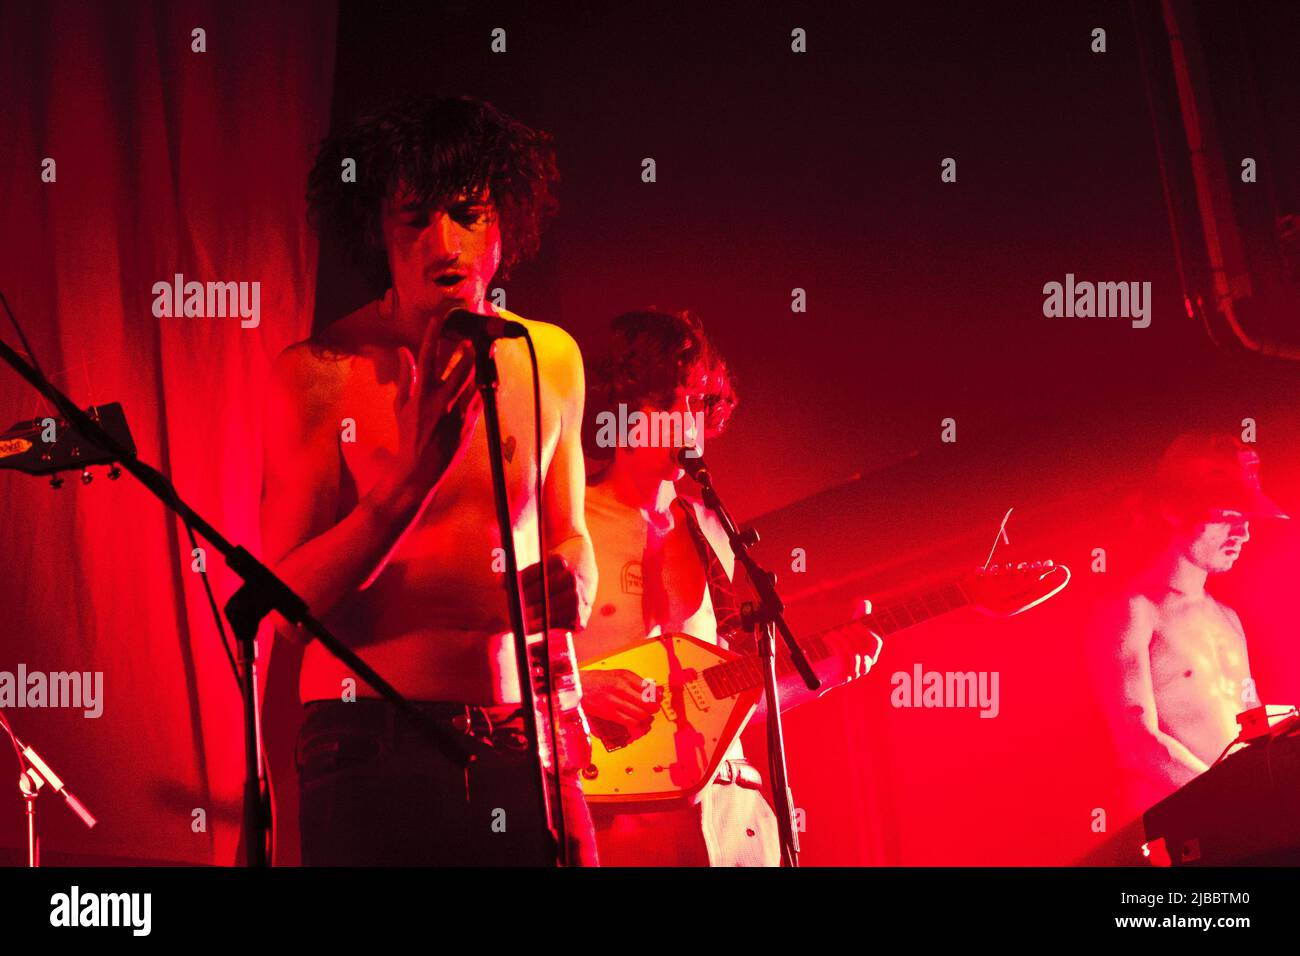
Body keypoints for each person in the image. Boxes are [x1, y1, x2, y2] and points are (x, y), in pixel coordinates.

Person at [260, 94, 598, 865]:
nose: (443, 242)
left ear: (503, 225)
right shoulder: (320, 374)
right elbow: (282, 608)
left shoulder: (552, 358)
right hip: (367, 739)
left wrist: (579, 566)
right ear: (377, 230)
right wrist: (407, 486)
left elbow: (567, 529)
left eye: (467, 213)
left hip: (522, 734)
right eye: (413, 219)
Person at [577, 309, 878, 865]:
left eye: (695, 403)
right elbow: (504, 669)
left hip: (728, 815)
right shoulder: (563, 517)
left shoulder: (709, 527)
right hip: (614, 819)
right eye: (666, 402)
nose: (684, 424)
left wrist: (830, 670)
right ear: (616, 404)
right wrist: (578, 690)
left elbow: (722, 699)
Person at [1090, 433, 1288, 817]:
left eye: (1246, 519)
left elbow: (1252, 725)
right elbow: (1137, 744)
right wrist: (1233, 801)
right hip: (1182, 828)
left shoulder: (1226, 617)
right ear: (1174, 509)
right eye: (1227, 517)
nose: (1243, 534)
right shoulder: (1133, 610)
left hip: (1236, 824)